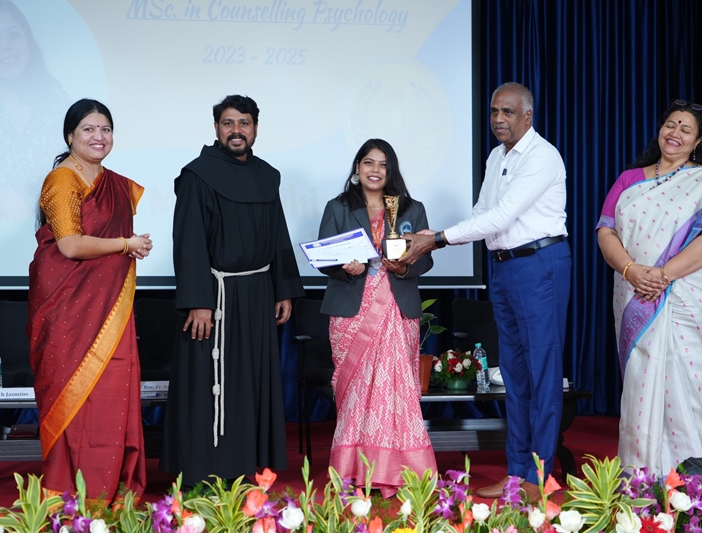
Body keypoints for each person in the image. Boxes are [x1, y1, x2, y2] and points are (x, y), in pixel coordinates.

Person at [401, 82, 570, 501]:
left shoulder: (542, 156)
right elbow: (482, 212)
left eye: (508, 112)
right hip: (506, 269)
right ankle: (517, 475)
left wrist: (437, 239)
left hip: (539, 265)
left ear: (527, 116)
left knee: (543, 374)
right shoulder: (497, 157)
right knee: (513, 375)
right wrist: (435, 235)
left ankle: (540, 478)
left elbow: (502, 216)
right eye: (494, 111)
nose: (498, 119)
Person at [596, 99, 702, 475]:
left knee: (691, 387)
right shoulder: (628, 180)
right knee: (641, 386)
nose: (675, 133)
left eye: (686, 129)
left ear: (697, 141)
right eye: (671, 124)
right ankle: (640, 481)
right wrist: (632, 271)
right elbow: (606, 232)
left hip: (690, 298)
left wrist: (662, 276)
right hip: (635, 292)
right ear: (660, 129)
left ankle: (692, 483)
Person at [161, 94, 304, 487]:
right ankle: (205, 473)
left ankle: (246, 467)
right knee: (212, 386)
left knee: (250, 383)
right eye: (228, 123)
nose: (236, 130)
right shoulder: (198, 175)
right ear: (216, 128)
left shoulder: (267, 175)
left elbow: (278, 234)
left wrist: (283, 288)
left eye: (244, 123)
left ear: (255, 128)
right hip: (216, 298)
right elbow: (188, 242)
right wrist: (199, 302)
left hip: (258, 294)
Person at [27, 98, 153, 500]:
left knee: (111, 396)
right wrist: (125, 243)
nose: (99, 137)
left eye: (106, 129)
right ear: (70, 136)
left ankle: (111, 492)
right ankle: (70, 495)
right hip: (68, 313)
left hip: (109, 310)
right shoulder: (62, 179)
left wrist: (128, 246)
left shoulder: (116, 184)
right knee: (75, 400)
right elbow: (69, 245)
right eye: (88, 129)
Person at [317, 138, 437, 497]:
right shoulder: (338, 207)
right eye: (368, 162)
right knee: (356, 393)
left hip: (397, 309)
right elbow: (324, 257)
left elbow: (426, 259)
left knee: (397, 394)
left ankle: (400, 473)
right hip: (351, 311)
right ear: (357, 168)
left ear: (391, 170)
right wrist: (344, 266)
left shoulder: (411, 209)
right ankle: (352, 472)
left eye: (383, 164)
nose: (375, 170)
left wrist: (404, 268)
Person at [0, 0, 70, 221]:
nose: (5, 46)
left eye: (13, 34)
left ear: (28, 40)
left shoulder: (57, 100)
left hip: (52, 231)